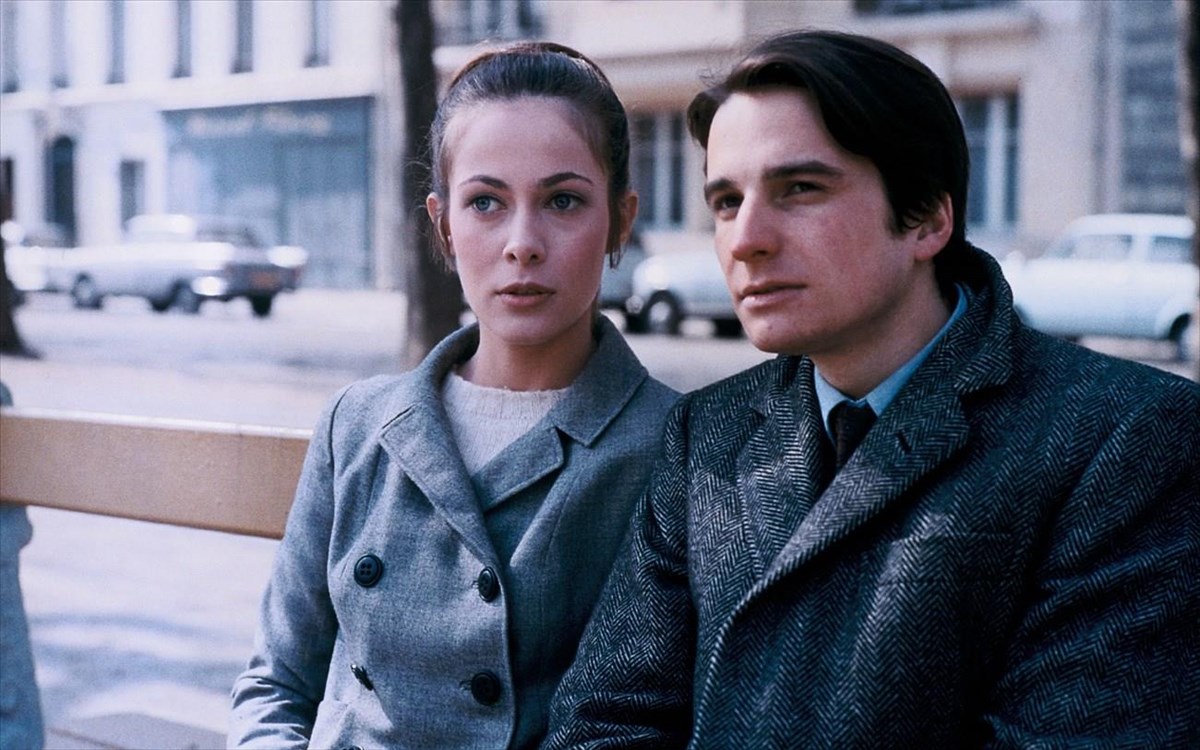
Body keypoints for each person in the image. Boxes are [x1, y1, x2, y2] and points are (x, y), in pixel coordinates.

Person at [544, 29, 1199, 748]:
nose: (745, 238)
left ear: (927, 220)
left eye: (800, 189)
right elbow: (603, 721)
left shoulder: (1128, 437)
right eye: (727, 201)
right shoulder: (709, 433)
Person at [229, 42, 678, 750]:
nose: (522, 244)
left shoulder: (673, 445)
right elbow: (275, 683)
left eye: (563, 201)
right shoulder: (359, 424)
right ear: (443, 224)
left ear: (621, 221)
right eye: (486, 203)